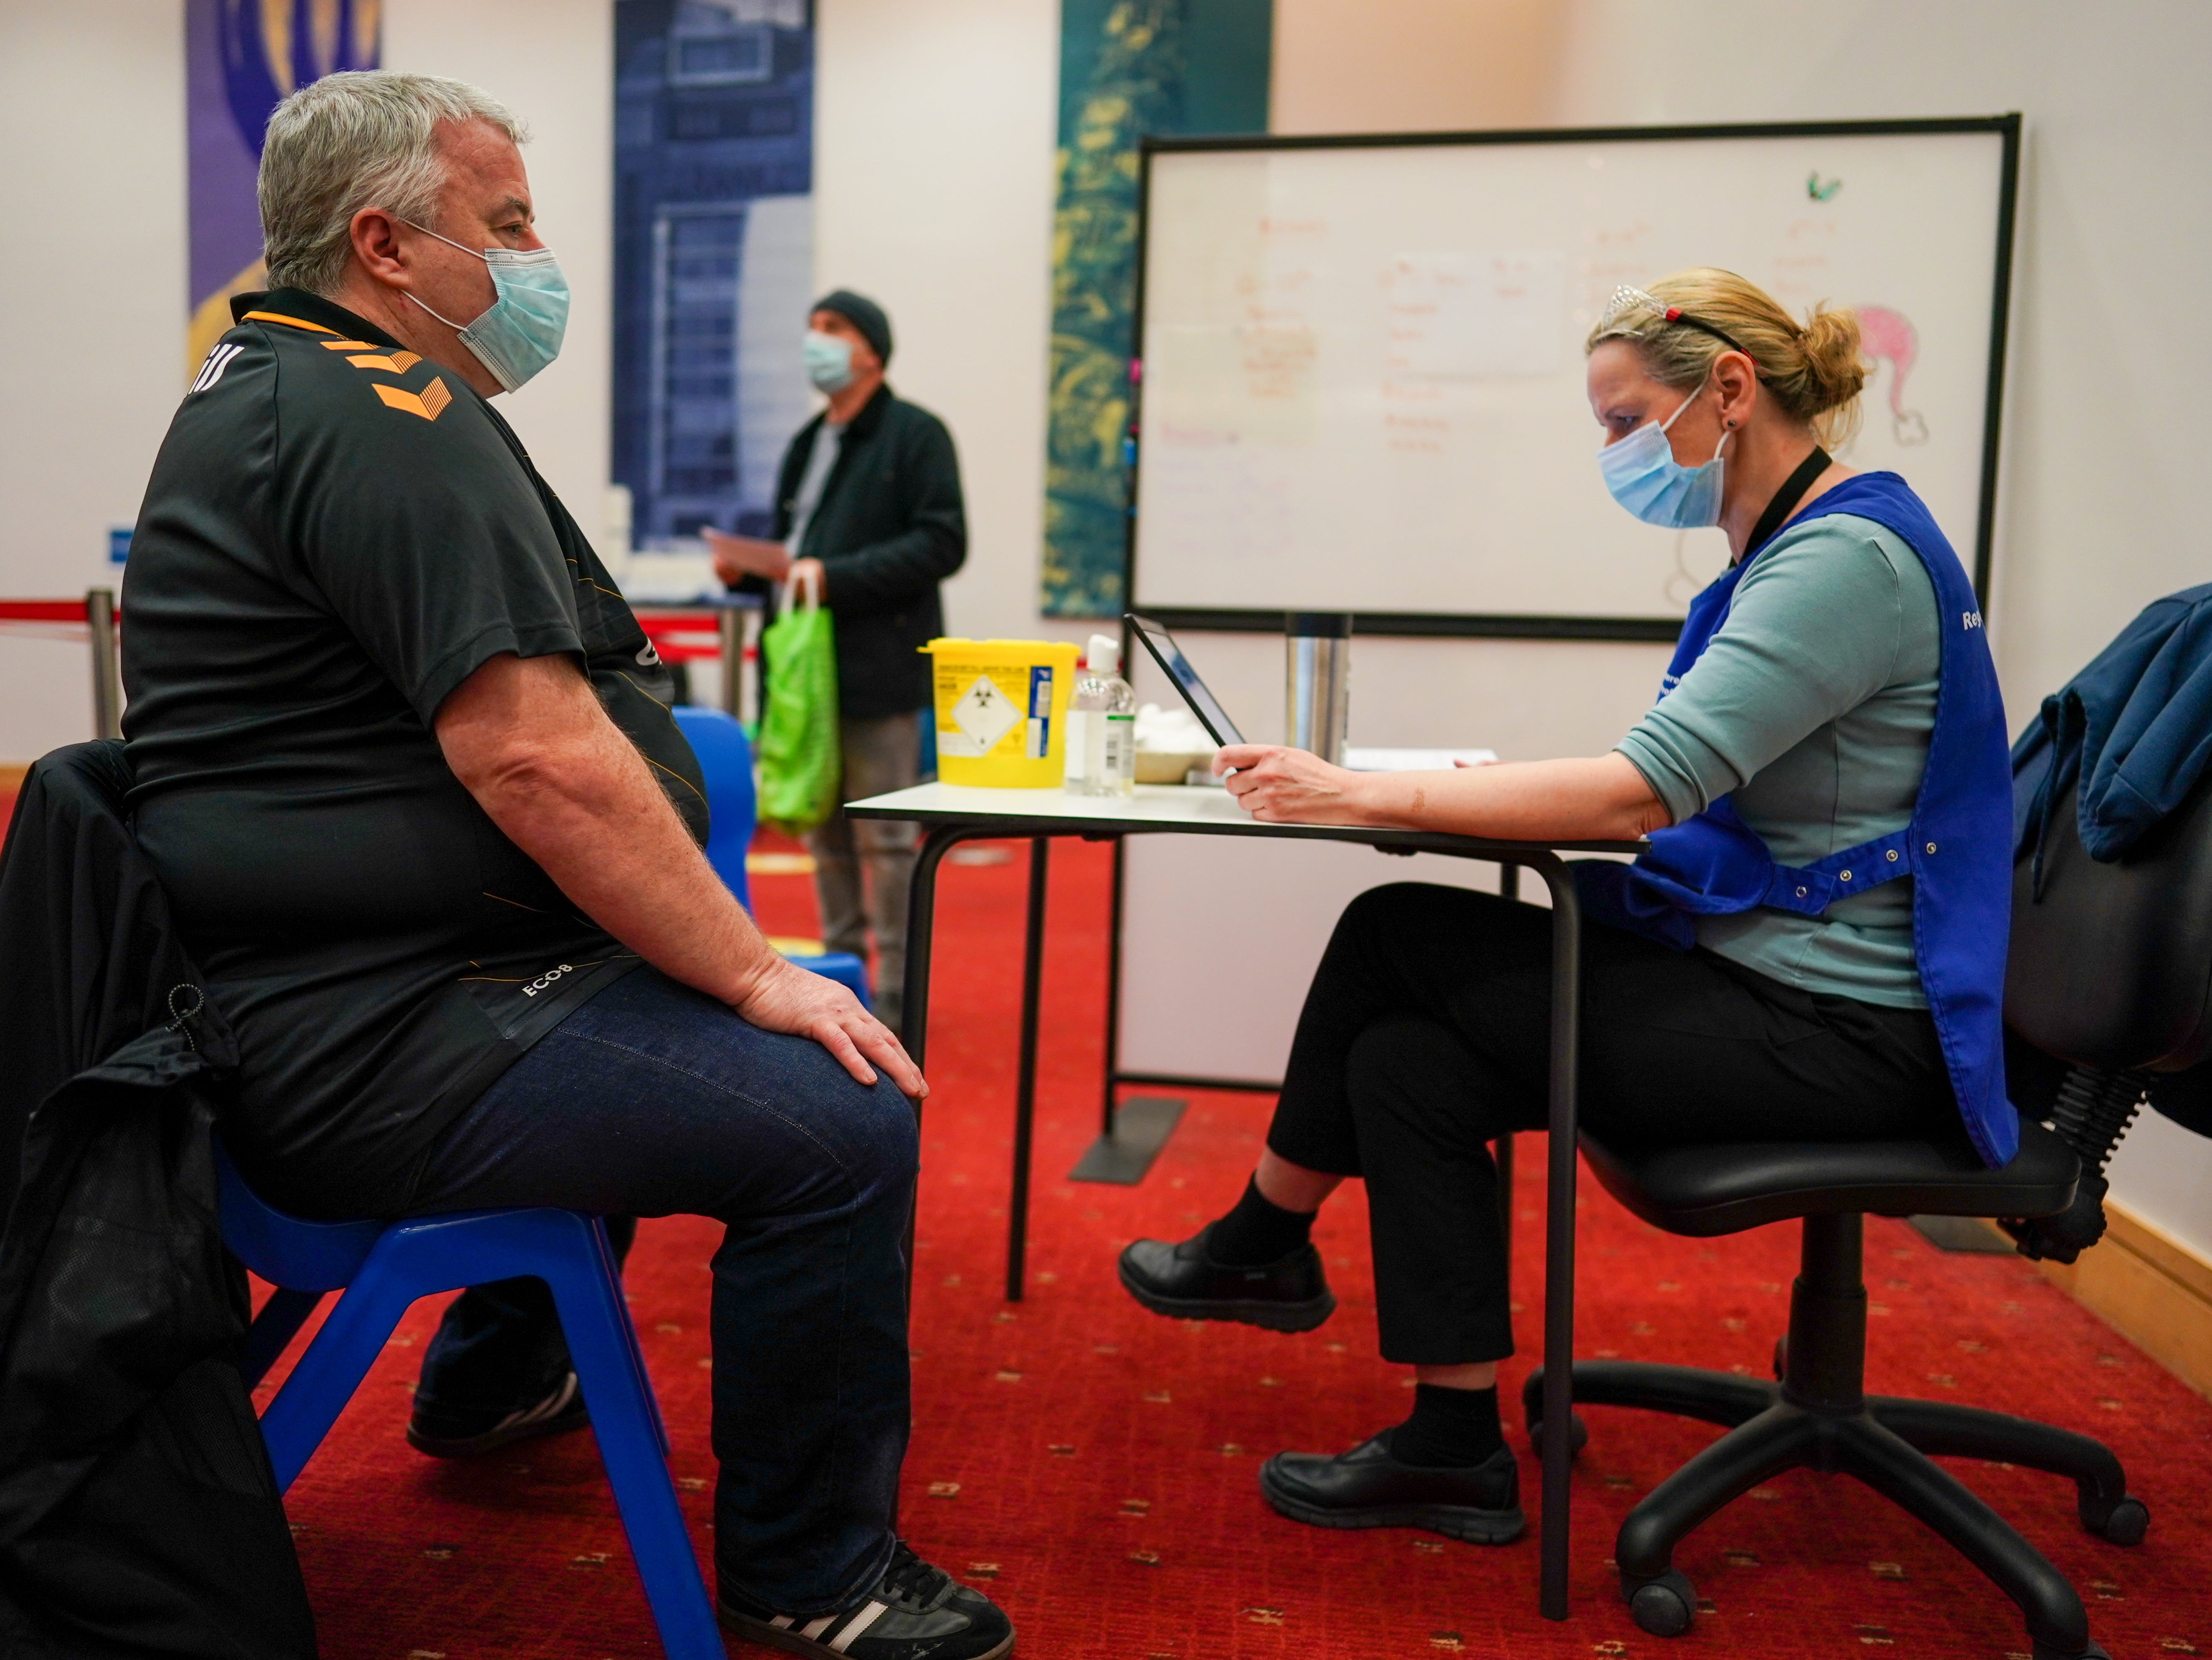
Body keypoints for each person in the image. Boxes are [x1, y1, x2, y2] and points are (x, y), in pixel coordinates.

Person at [120, 70, 1011, 1659]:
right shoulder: (377, 415)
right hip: (361, 1037)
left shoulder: (282, 382)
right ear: (387, 245)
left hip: (348, 998)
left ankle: (494, 1369)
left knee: (647, 1003)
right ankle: (817, 1579)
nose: (536, 259)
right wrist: (746, 968)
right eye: (508, 222)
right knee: (836, 1113)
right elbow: (530, 752)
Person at [1116, 269, 2015, 1548]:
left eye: (1620, 421)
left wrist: (1371, 792)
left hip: (1842, 1031)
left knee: (1398, 931)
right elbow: (1678, 771)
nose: (1612, 454)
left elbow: (1637, 797)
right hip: (1769, 977)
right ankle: (1447, 1440)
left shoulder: (1842, 565)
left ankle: (1265, 1240)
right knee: (1407, 1056)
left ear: (1727, 389)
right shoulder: (1802, 544)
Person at [705, 293, 965, 1034]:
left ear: (871, 353)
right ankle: (844, 978)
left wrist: (831, 575)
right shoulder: (809, 439)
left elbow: (943, 544)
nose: (814, 343)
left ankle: (899, 998)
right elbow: (796, 552)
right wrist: (752, 574)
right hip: (805, 674)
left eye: (833, 331)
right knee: (823, 833)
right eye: (811, 328)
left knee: (885, 840)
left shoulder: (916, 435)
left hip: (878, 668)